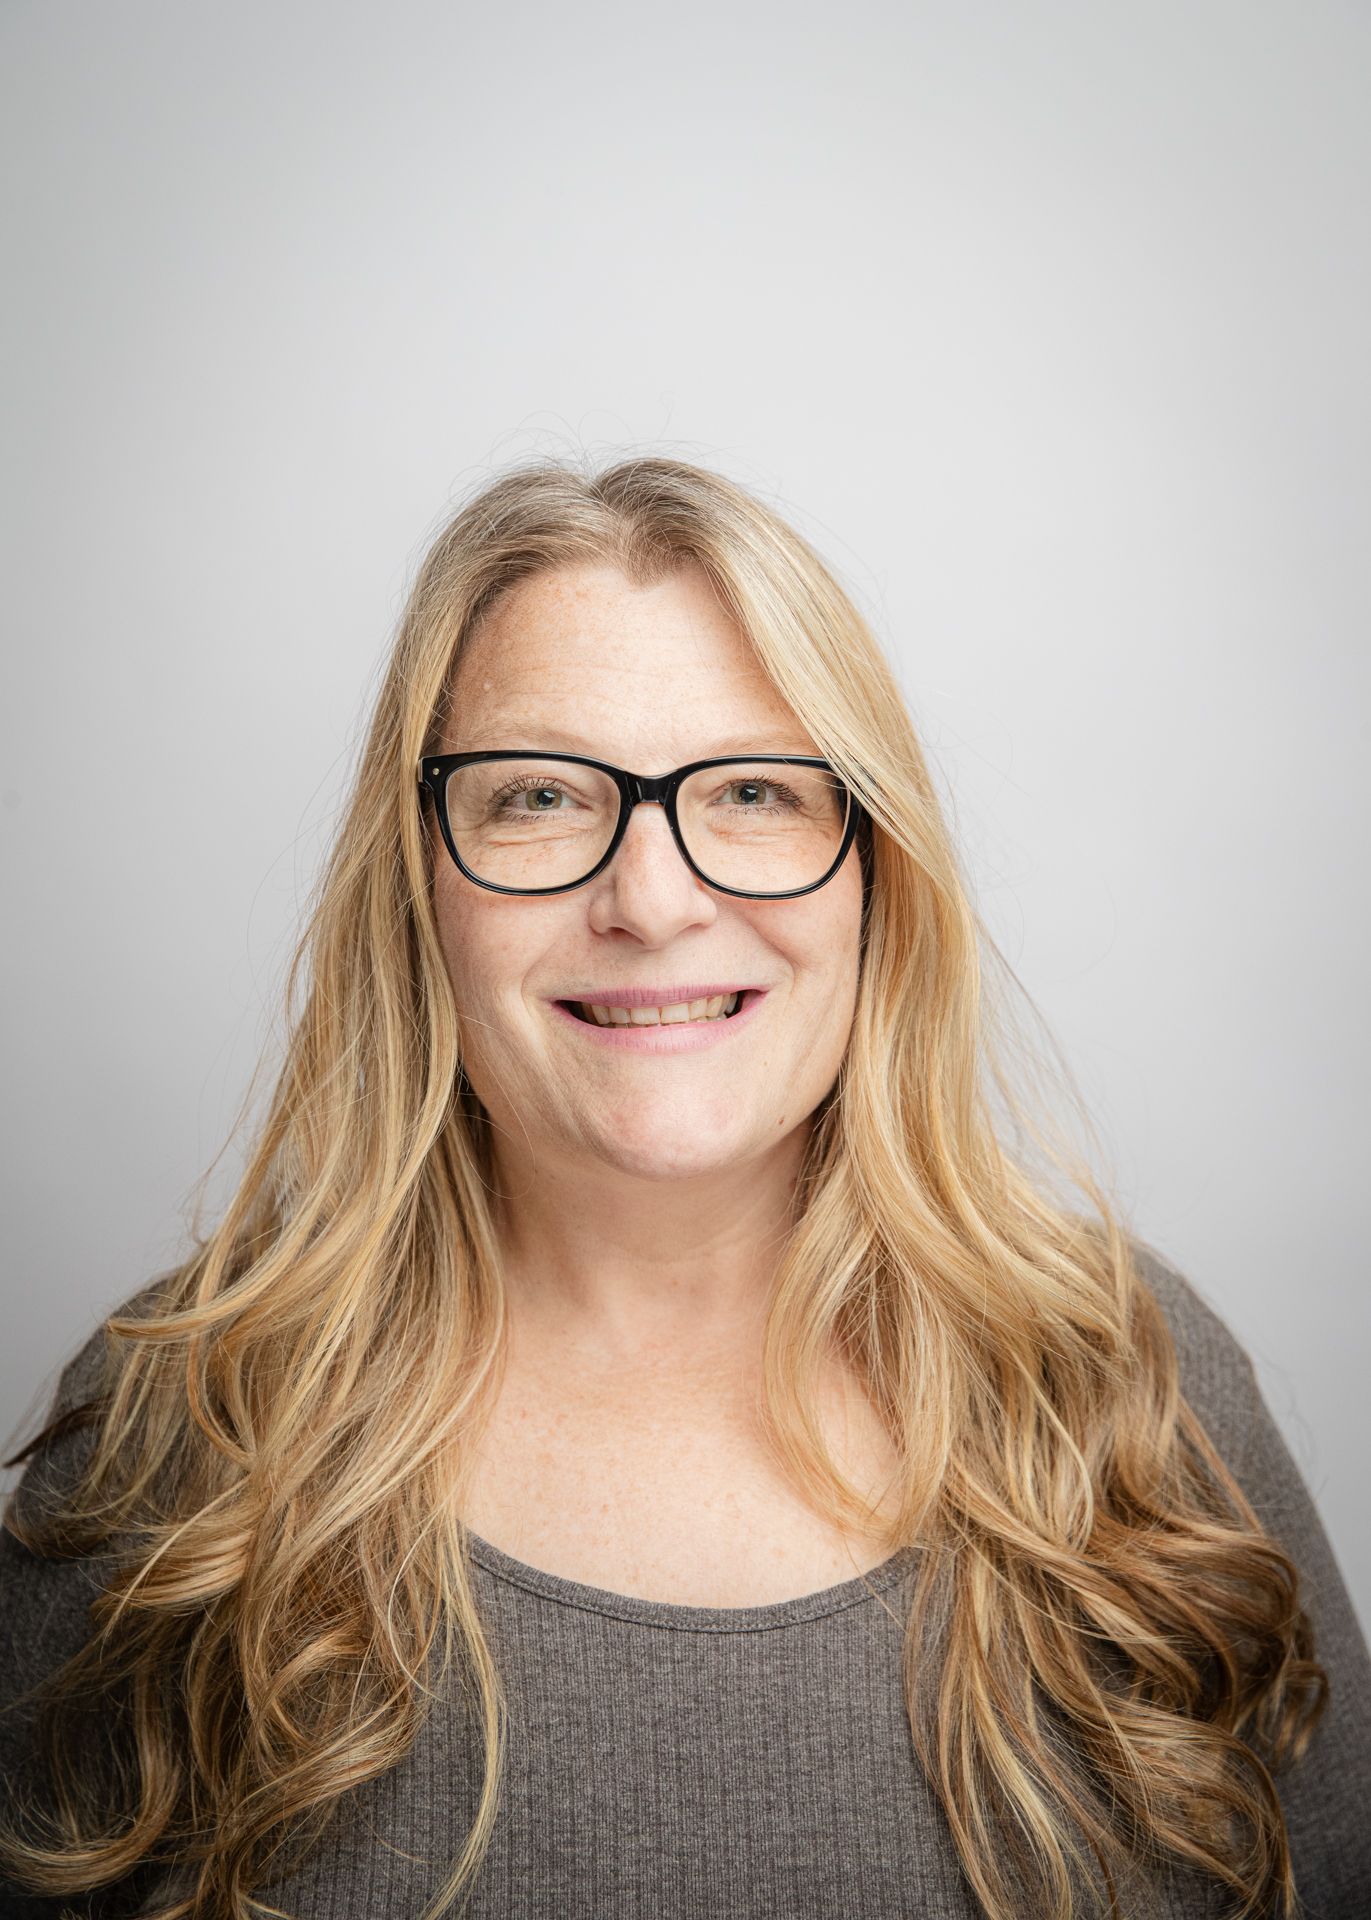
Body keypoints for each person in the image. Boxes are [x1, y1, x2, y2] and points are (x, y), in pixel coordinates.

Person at [2, 456, 1368, 1920]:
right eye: (535, 794)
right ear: (419, 884)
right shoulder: (180, 1447)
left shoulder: (1131, 1391)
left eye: (755, 793)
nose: (652, 900)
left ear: (874, 872)